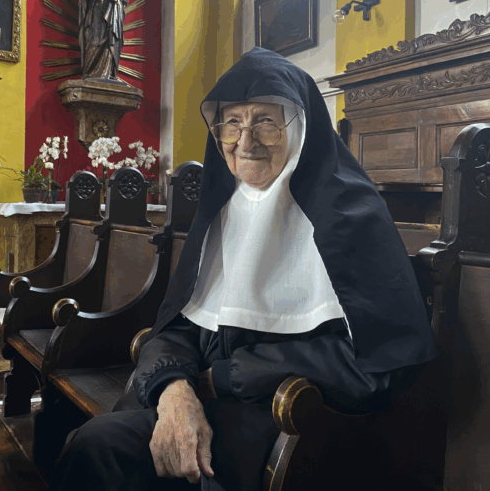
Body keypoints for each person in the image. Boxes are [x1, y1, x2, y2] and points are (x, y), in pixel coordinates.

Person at [51, 47, 437, 491]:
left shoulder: (353, 217)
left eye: (266, 122)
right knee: (92, 446)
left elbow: (381, 367)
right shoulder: (221, 211)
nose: (245, 140)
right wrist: (175, 390)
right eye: (232, 122)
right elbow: (177, 326)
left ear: (302, 126)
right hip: (197, 394)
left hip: (283, 421)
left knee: (102, 450)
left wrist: (233, 375)